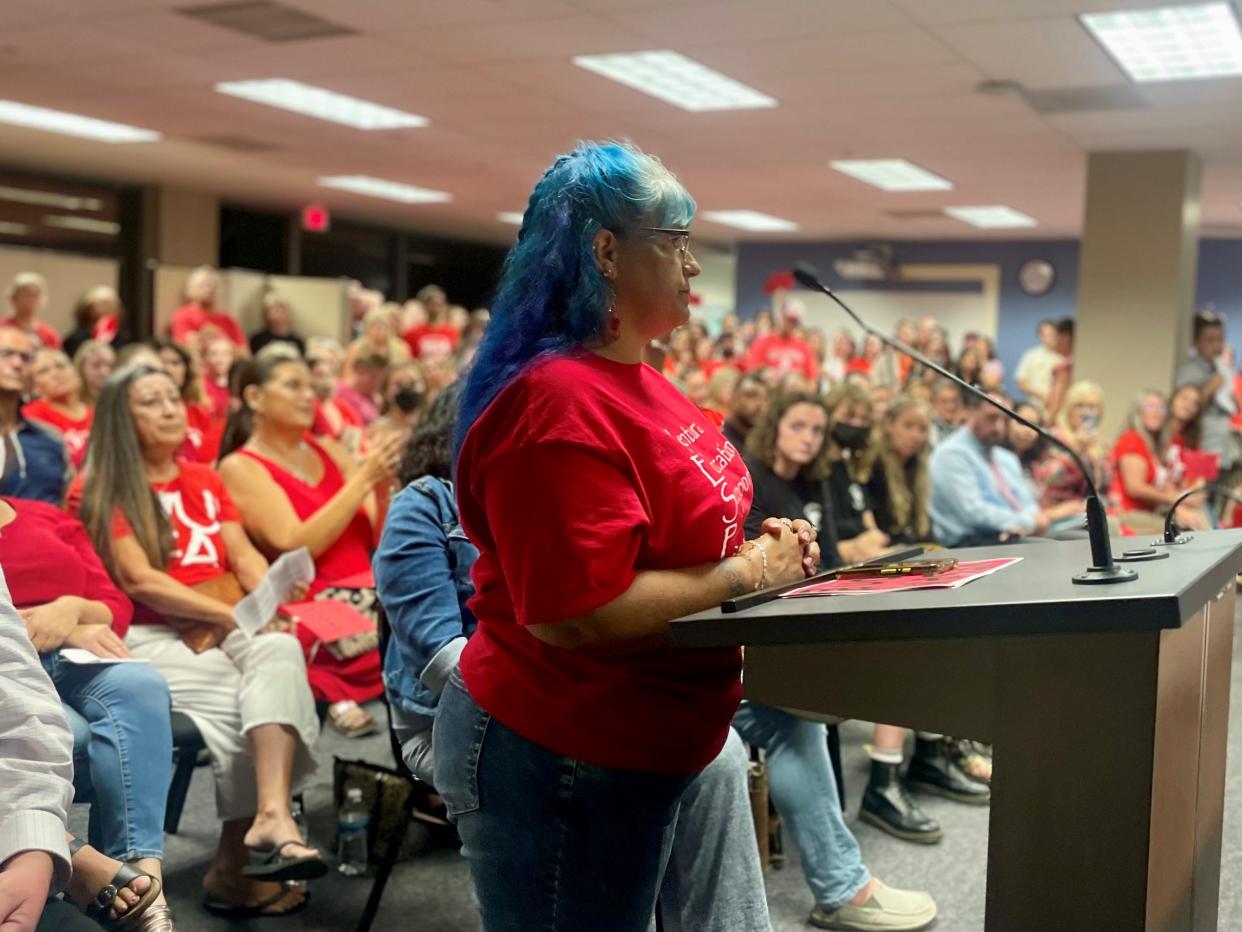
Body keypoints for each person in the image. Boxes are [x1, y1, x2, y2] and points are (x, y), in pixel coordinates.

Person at [437, 140, 817, 931]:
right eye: (675, 242)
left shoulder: (637, 375)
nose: (694, 266)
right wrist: (747, 574)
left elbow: (672, 528)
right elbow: (576, 612)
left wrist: (765, 551)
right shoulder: (557, 405)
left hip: (644, 742)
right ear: (607, 251)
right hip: (560, 750)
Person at [376, 384, 774, 932]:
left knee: (717, 749)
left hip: (563, 685)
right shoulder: (423, 505)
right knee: (656, 755)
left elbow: (623, 599)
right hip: (469, 714)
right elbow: (441, 656)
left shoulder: (547, 490)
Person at [72, 363, 323, 919]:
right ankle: (232, 868)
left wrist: (266, 594)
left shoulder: (204, 477)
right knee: (243, 705)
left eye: (172, 398)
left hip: (221, 619)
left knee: (280, 650)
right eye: (151, 402)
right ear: (120, 418)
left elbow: (242, 554)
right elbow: (140, 581)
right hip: (146, 632)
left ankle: (274, 815)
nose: (170, 409)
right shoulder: (98, 486)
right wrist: (233, 614)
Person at [0, 496, 178, 930]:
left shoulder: (44, 515)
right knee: (70, 732)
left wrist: (72, 609)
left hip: (69, 651)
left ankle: (142, 869)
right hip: (17, 650)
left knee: (143, 685)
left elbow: (114, 601)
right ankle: (72, 855)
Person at [218, 355, 400, 737]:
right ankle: (338, 688)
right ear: (254, 397)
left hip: (367, 582)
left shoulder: (330, 450)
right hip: (309, 593)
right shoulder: (240, 466)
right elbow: (294, 543)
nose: (308, 396)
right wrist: (362, 480)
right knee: (312, 638)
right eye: (292, 385)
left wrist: (381, 488)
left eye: (310, 388)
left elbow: (374, 537)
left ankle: (345, 689)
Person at [930, 391, 1049, 547]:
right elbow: (972, 513)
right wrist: (1027, 522)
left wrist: (1033, 519)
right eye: (992, 418)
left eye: (1004, 420)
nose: (998, 427)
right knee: (1055, 546)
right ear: (970, 413)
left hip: (1010, 534)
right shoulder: (951, 454)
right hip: (970, 543)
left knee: (1075, 539)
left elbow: (1026, 501)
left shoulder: (1005, 458)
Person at [1110, 390, 1210, 534]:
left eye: (1161, 408)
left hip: (1153, 511)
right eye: (1150, 407)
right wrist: (1175, 500)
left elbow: (1165, 483)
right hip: (1129, 513)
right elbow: (1135, 487)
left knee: (1196, 518)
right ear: (1138, 411)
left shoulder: (1155, 443)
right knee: (1183, 532)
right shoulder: (1132, 439)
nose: (1156, 413)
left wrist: (1179, 504)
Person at [820, 382, 891, 563]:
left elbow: (870, 524)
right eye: (849, 417)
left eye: (863, 419)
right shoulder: (815, 471)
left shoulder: (849, 466)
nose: (857, 425)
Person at [0, 328, 70, 505]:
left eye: (26, 358)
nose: (17, 364)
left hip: (50, 528)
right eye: (6, 354)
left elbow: (67, 504)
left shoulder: (50, 438)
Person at [1031, 381, 1109, 529]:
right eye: (1079, 406)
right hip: (1057, 513)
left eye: (1092, 407)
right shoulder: (1054, 438)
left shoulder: (1100, 444)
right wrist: (1077, 450)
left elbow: (1104, 486)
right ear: (1068, 409)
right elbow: (1049, 478)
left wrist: (1096, 458)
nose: (1085, 413)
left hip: (1086, 513)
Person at [1175, 310, 1238, 480]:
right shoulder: (1187, 372)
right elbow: (1182, 410)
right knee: (1202, 498)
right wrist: (1211, 387)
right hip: (1202, 447)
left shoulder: (1224, 370)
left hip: (1228, 450)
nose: (1216, 346)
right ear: (1196, 342)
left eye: (1220, 339)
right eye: (1210, 340)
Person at [866, 395, 933, 543]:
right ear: (889, 425)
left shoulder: (917, 467)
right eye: (908, 426)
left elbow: (924, 529)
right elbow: (883, 530)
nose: (916, 436)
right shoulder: (873, 467)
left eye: (922, 429)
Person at [23, 348, 93, 469]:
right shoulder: (30, 416)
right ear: (33, 386)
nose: (56, 374)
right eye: (43, 371)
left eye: (61, 366)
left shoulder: (97, 413)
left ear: (75, 372)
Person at [152, 340, 220, 465]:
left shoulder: (199, 412)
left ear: (186, 370)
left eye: (175, 363)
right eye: (162, 362)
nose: (168, 369)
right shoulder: (145, 413)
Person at [169, 267, 246, 353]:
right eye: (204, 285)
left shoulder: (227, 319)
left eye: (213, 285)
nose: (210, 289)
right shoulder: (182, 315)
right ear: (191, 288)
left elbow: (244, 354)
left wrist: (220, 337)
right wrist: (201, 338)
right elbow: (182, 350)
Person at [306, 339, 363, 452]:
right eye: (319, 375)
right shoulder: (308, 408)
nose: (326, 381)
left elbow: (361, 436)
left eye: (330, 374)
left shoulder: (342, 406)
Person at [743, 302, 816, 381]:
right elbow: (751, 371)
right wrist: (764, 373)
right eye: (789, 320)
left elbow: (812, 379)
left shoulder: (803, 347)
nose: (791, 324)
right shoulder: (762, 342)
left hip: (795, 390)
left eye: (795, 321)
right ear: (781, 316)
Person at [368, 359, 428, 445]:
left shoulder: (432, 427)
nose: (406, 389)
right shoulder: (378, 431)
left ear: (425, 387)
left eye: (413, 384)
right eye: (398, 385)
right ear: (385, 392)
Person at [63, 286, 129, 359]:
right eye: (104, 304)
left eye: (113, 304)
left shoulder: (124, 337)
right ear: (88, 309)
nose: (109, 308)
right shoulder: (75, 339)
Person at [3, 273, 60, 350]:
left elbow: (54, 358)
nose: (31, 299)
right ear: (13, 297)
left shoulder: (49, 334)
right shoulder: (3, 326)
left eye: (35, 295)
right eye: (26, 294)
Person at [402, 285, 459, 361]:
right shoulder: (413, 332)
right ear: (424, 305)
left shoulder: (452, 332)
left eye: (439, 303)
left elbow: (453, 357)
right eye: (432, 303)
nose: (435, 307)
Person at [1015, 319, 1062, 406]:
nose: (1050, 337)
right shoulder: (1031, 355)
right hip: (1033, 405)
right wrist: (1042, 395)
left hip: (1056, 406)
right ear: (1040, 336)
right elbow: (1021, 383)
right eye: (1046, 335)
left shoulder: (1061, 358)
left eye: (1052, 334)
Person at [336, 351, 387, 426]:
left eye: (381, 379)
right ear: (360, 371)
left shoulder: (375, 398)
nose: (378, 383)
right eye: (373, 377)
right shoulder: (339, 392)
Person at [247, 293, 304, 358]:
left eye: (277, 311)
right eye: (269, 311)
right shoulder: (257, 339)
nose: (273, 316)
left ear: (287, 312)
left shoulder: (298, 342)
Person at [200, 336, 235, 423]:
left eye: (225, 354)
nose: (220, 359)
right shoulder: (199, 385)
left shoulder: (238, 384)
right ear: (205, 358)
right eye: (214, 354)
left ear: (232, 357)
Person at [73, 340, 115, 405]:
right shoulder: (74, 401)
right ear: (81, 368)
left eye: (110, 365)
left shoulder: (121, 398)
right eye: (96, 365)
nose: (104, 372)